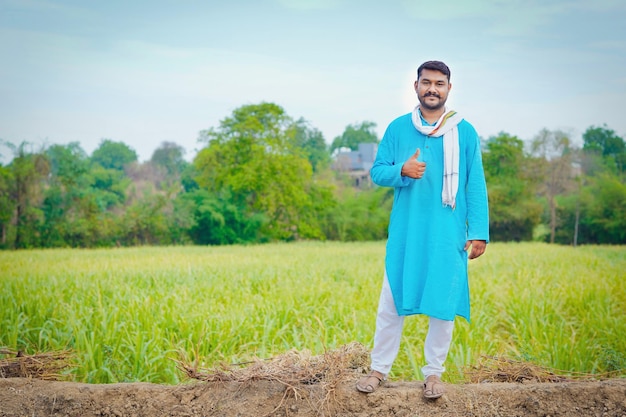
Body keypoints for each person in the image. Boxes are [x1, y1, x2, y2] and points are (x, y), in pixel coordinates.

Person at [356, 60, 489, 399]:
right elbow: (377, 172)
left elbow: (475, 184)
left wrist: (479, 231)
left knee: (442, 305)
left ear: (448, 89)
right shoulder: (399, 129)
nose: (432, 88)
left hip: (449, 232)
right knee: (391, 302)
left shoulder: (465, 132)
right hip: (407, 233)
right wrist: (402, 169)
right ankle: (378, 370)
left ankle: (434, 375)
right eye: (426, 82)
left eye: (439, 83)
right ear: (415, 86)